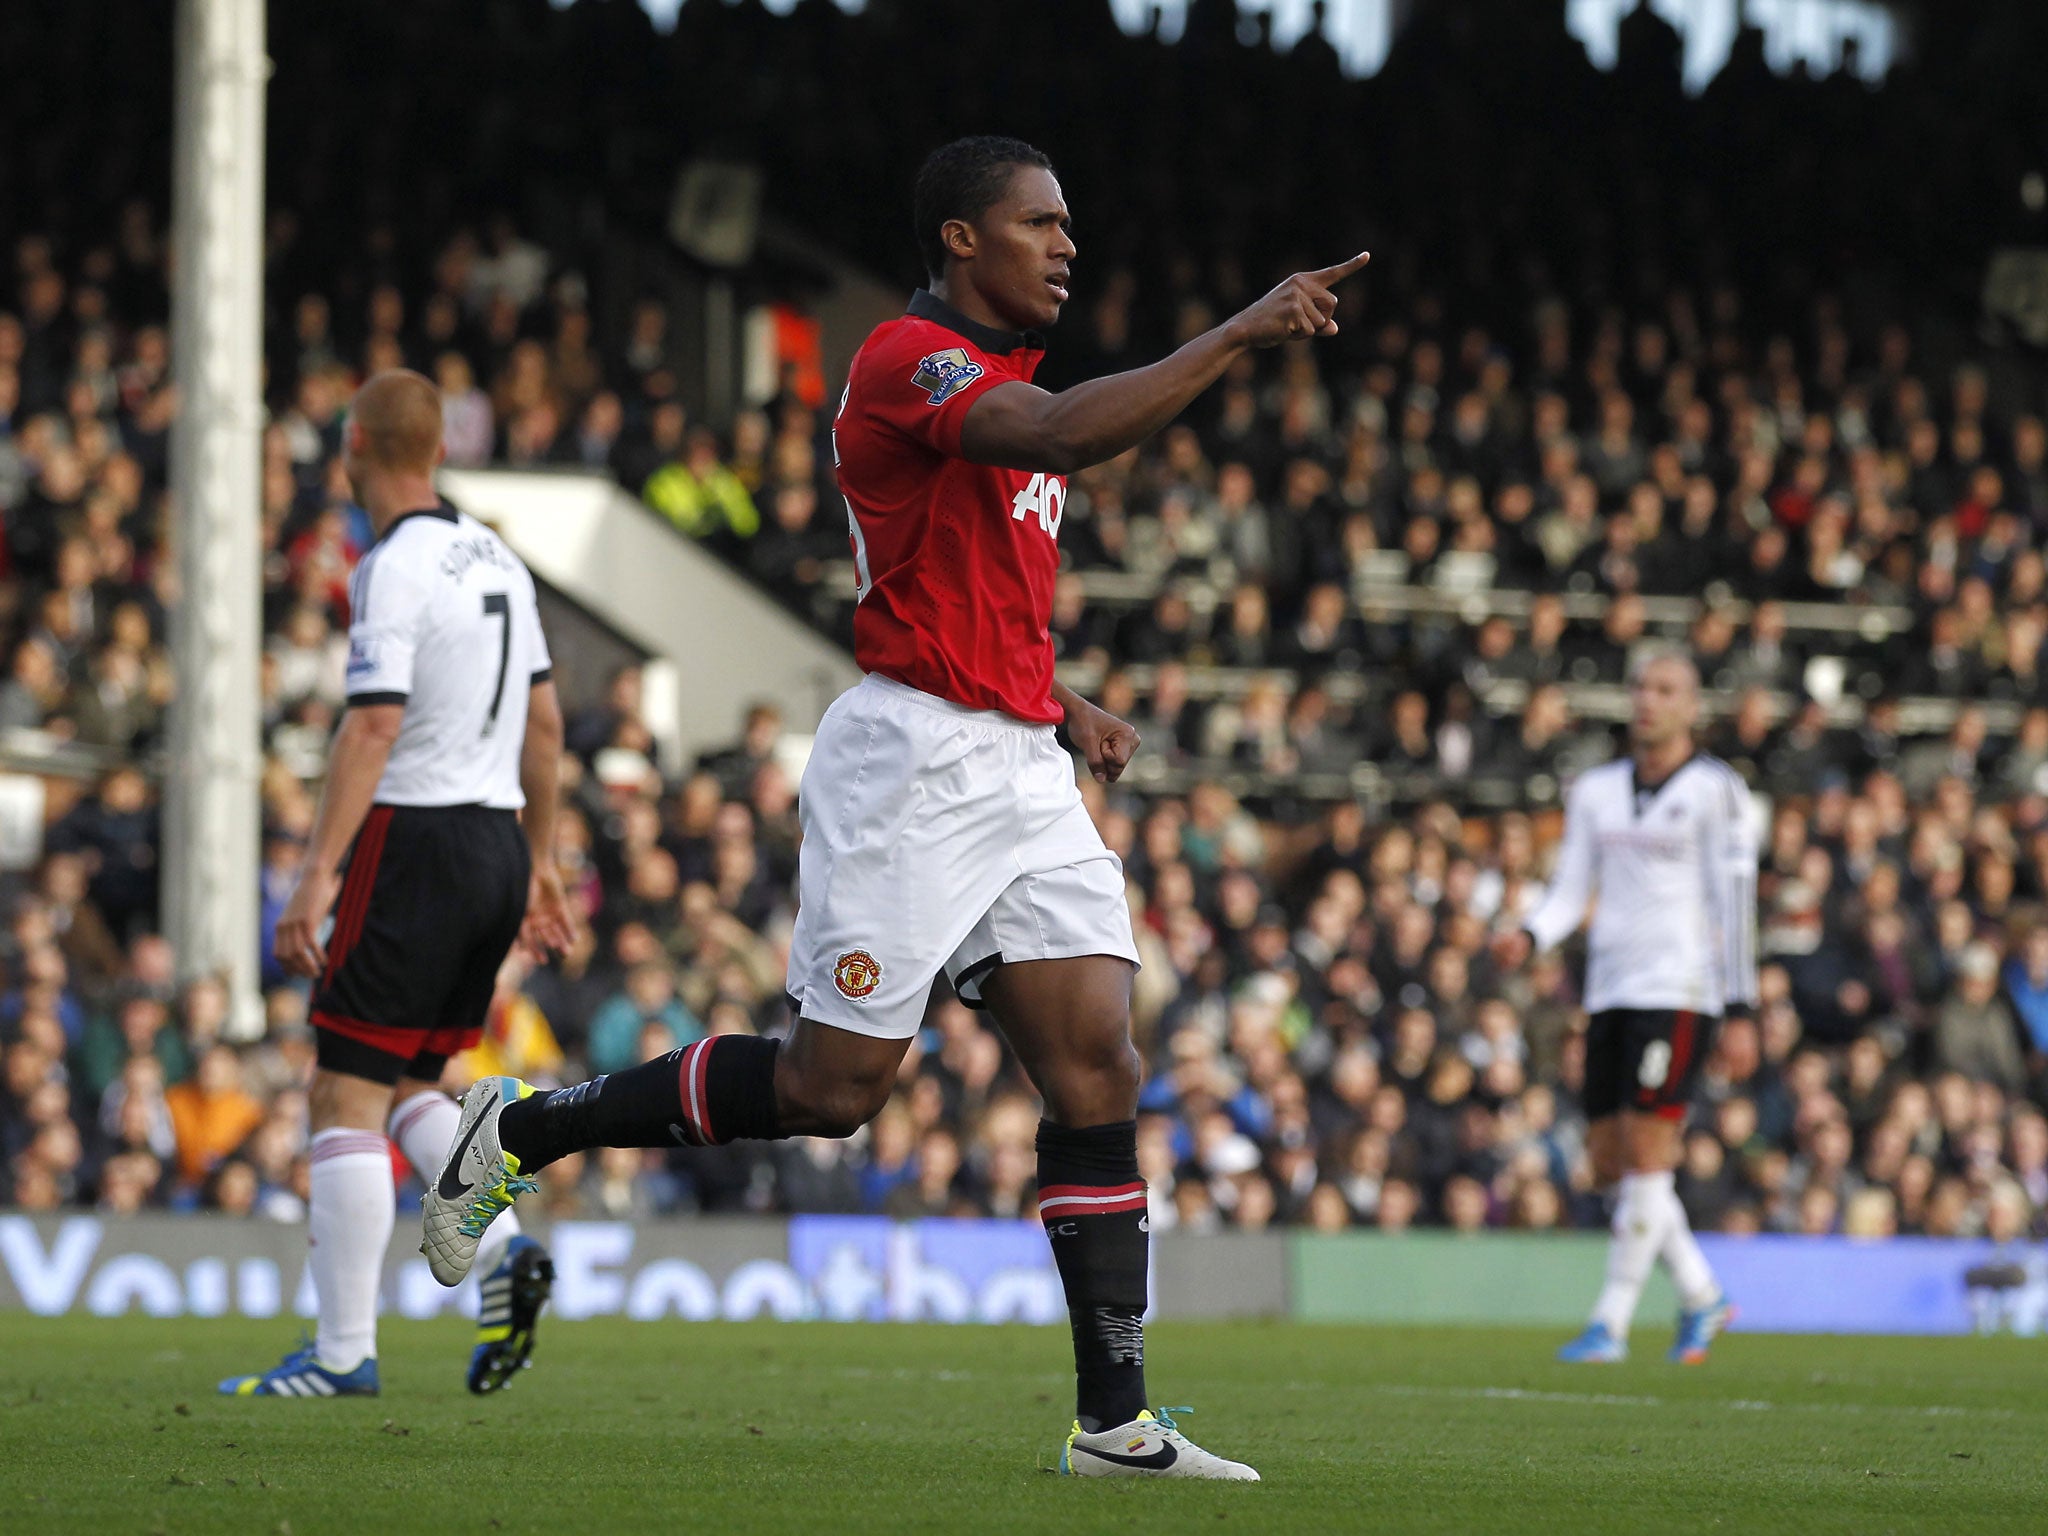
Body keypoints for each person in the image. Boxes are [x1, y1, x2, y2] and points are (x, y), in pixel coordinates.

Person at [425, 135, 1370, 1479]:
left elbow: (973, 590)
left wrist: (1060, 698)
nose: (1067, 243)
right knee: (831, 1089)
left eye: (1070, 223)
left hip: (1017, 761)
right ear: (962, 241)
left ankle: (1114, 1422)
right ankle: (519, 1129)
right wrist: (1237, 332)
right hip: (913, 764)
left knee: (1099, 1056)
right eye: (1040, 223)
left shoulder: (1006, 384)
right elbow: (1059, 440)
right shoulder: (905, 360)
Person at [221, 370, 577, 1399]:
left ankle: (340, 1354)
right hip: (497, 849)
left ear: (354, 447)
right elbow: (545, 728)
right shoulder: (499, 558)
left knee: (342, 1086)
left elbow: (373, 725)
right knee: (414, 1082)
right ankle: (504, 1251)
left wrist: (311, 880)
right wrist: (543, 860)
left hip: (415, 840)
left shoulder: (392, 565)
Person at [1493, 649, 1757, 1364]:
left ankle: (1610, 1322)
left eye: (1665, 688)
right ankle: (1703, 1295)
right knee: (1610, 1160)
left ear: (1692, 706)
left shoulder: (1717, 791)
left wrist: (1742, 1005)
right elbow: (1572, 887)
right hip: (1608, 991)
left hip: (1679, 991)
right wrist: (1530, 933)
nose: (1648, 699)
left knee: (1648, 1149)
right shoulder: (1597, 790)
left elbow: (1735, 903)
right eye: (1640, 685)